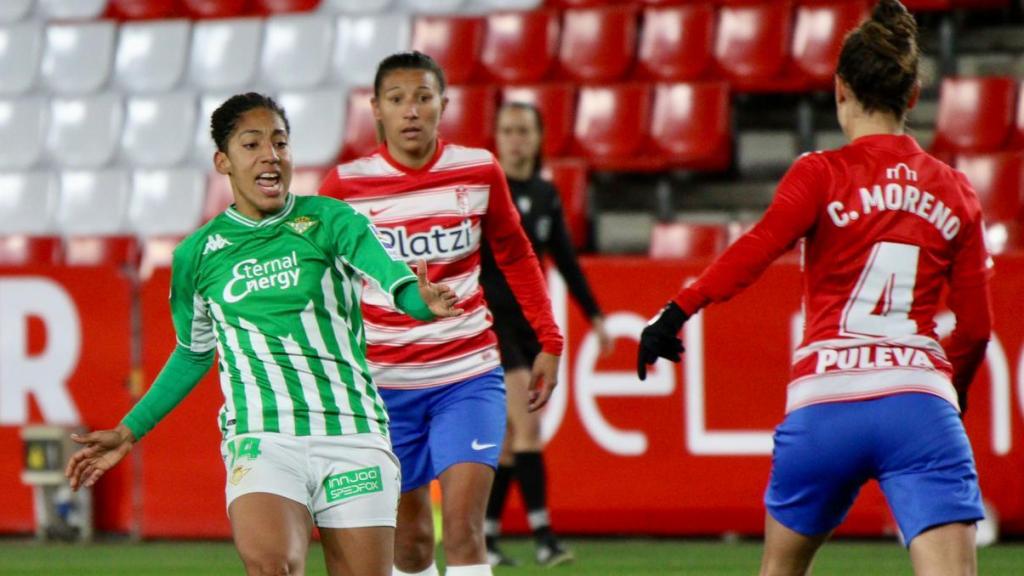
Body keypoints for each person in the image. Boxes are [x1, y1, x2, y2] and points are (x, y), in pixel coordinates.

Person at [636, 2, 991, 575]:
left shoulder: (819, 173)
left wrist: (675, 312)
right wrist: (951, 392)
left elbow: (755, 249)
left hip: (824, 404)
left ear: (839, 89)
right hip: (918, 401)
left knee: (780, 571)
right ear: (913, 96)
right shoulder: (955, 190)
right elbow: (975, 329)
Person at [65, 93, 463, 576]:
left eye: (280, 142)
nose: (270, 155)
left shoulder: (330, 219)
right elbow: (193, 354)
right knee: (273, 565)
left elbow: (393, 277)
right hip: (263, 438)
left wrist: (421, 302)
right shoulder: (198, 255)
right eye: (252, 144)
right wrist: (130, 430)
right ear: (223, 161)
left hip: (352, 432)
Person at [319, 52, 564, 576]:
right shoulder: (343, 188)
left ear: (443, 106)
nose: (411, 110)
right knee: (409, 544)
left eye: (423, 98)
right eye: (398, 99)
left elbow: (517, 254)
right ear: (376, 110)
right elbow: (321, 284)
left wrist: (550, 338)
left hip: (467, 375)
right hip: (384, 386)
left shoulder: (477, 171)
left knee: (463, 529)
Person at [480, 102, 613, 568]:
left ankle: (486, 536)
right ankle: (544, 536)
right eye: (508, 130)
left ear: (538, 138)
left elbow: (566, 259)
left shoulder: (544, 192)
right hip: (491, 323)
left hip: (527, 323)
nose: (516, 139)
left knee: (511, 439)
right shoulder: (485, 191)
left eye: (524, 131)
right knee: (529, 429)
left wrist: (594, 316)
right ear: (496, 137)